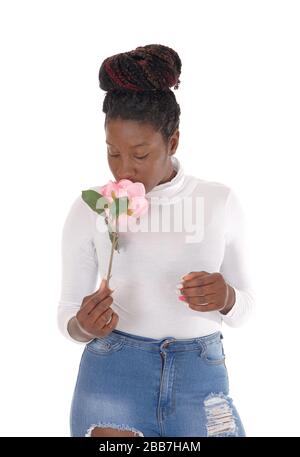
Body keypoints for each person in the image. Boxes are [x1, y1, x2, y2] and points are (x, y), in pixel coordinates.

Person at [57, 44, 255, 437]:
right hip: (113, 375)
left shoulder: (218, 202)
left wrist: (227, 297)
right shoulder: (91, 208)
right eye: (113, 153)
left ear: (174, 141)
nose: (124, 168)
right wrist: (83, 325)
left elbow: (247, 307)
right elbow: (67, 311)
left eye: (140, 154)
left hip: (200, 378)